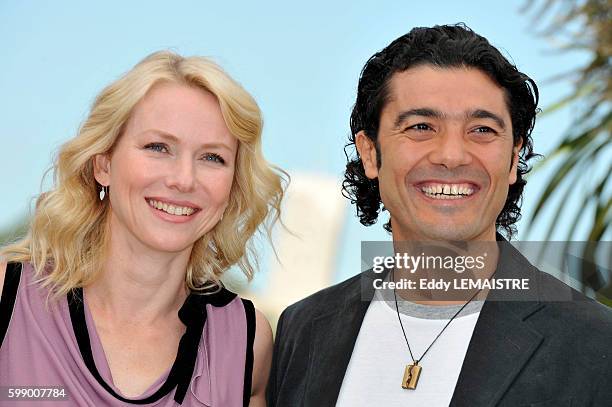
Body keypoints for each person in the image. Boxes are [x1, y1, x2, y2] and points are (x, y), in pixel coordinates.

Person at [267, 24, 612, 406]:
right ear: (369, 153)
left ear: (514, 158)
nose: (451, 155)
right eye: (421, 127)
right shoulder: (303, 330)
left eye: (481, 129)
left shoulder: (595, 346)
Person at [0, 50, 285, 406]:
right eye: (158, 147)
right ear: (103, 164)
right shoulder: (8, 300)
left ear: (232, 184)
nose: (183, 179)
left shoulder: (247, 343)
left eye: (213, 157)